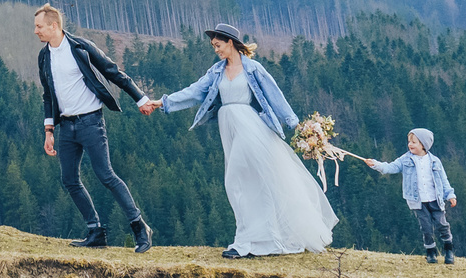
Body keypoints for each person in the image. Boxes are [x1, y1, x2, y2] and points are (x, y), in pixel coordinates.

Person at [143, 21, 335, 257]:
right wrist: (163, 102)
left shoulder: (253, 69)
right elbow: (194, 92)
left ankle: (245, 242)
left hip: (250, 126)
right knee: (248, 182)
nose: (216, 49)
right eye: (213, 46)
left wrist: (298, 126)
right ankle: (259, 241)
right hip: (229, 127)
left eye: (218, 45)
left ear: (230, 42)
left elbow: (275, 96)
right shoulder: (216, 72)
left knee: (236, 180)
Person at [33, 4, 156, 252]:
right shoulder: (44, 57)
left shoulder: (81, 48)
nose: (35, 31)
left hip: (91, 122)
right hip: (66, 127)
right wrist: (49, 130)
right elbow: (48, 95)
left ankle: (140, 227)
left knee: (106, 176)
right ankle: (95, 231)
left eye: (39, 26)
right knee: (69, 179)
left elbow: (113, 72)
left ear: (53, 25)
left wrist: (140, 98)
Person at [365, 128, 460, 263]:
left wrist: (450, 195)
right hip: (418, 202)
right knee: (426, 227)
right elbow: (390, 167)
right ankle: (431, 252)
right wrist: (376, 164)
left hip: (435, 200)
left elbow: (443, 180)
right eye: (409, 141)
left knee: (442, 224)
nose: (410, 144)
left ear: (423, 144)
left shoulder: (435, 161)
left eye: (414, 142)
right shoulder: (405, 159)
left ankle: (448, 250)